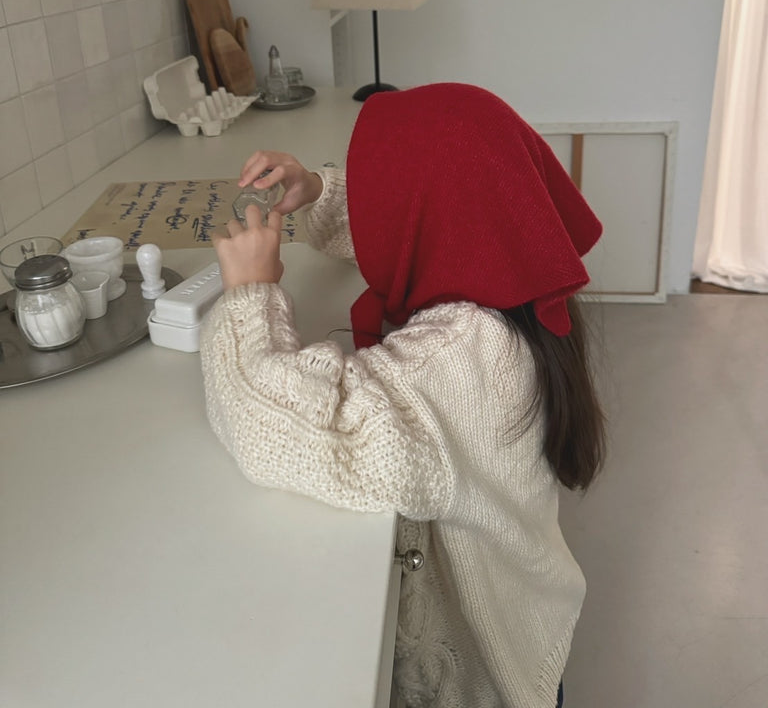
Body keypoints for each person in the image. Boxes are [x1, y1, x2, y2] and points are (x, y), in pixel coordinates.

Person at [200, 82, 606, 708]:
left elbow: (270, 424)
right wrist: (318, 189)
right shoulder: (512, 274)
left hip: (490, 678)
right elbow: (403, 221)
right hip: (533, 617)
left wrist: (250, 294)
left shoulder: (458, 362)